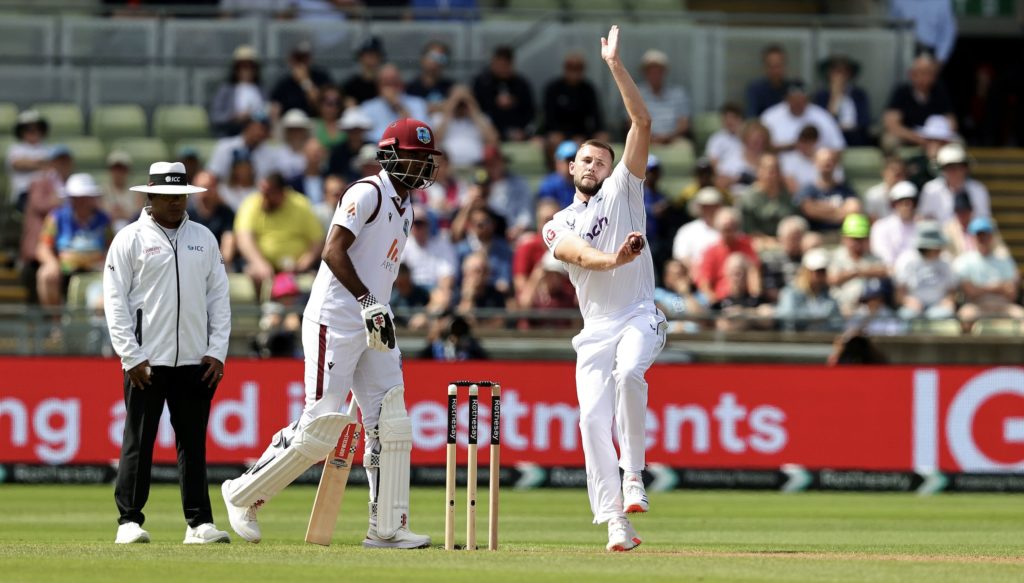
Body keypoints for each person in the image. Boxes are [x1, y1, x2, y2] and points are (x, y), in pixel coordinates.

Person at [221, 118, 439, 549]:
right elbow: (332, 250)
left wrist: (379, 311)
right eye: (414, 157)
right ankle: (243, 493)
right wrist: (365, 301)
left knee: (390, 421)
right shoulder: (367, 193)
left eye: (425, 160)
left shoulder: (407, 206)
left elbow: (381, 268)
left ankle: (387, 528)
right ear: (390, 155)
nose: (421, 167)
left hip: (375, 318)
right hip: (336, 318)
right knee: (322, 424)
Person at [541, 25, 664, 552]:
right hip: (595, 329)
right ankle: (616, 521)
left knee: (631, 371)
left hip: (640, 312)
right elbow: (575, 255)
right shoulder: (556, 222)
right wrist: (614, 258)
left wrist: (614, 65)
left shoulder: (625, 190)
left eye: (601, 160)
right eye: (585, 160)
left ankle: (633, 475)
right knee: (592, 419)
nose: (593, 166)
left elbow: (642, 120)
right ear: (571, 168)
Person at [103, 161, 230, 545]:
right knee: (138, 441)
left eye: (181, 195)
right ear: (151, 197)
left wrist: (217, 350)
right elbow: (115, 301)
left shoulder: (204, 238)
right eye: (168, 196)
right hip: (146, 360)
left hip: (195, 359)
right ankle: (128, 520)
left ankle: (198, 524)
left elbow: (218, 297)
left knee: (193, 443)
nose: (176, 202)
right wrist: (130, 356)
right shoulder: (129, 239)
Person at [234, 173, 324, 296]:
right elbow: (244, 239)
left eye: (268, 193)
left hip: (296, 268)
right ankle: (263, 312)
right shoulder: (251, 203)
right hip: (262, 268)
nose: (264, 198)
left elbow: (317, 240)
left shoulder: (301, 204)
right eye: (262, 192)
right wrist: (260, 263)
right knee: (253, 273)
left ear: (282, 192)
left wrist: (302, 264)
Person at [36, 173, 114, 307]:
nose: (80, 201)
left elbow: (112, 246)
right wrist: (51, 263)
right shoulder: (56, 218)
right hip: (64, 271)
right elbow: (43, 247)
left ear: (92, 198)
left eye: (85, 197)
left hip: (96, 271)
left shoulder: (104, 220)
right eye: (76, 198)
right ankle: (56, 323)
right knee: (45, 275)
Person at [954, 217, 1024, 328]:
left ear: (991, 236)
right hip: (977, 307)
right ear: (973, 237)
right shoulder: (964, 261)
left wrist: (981, 288)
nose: (983, 239)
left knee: (1021, 317)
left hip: (1003, 306)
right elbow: (971, 292)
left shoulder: (1005, 260)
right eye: (979, 235)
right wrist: (999, 287)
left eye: (985, 235)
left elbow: (1012, 293)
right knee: (965, 317)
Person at [882, 53, 956, 148]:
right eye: (919, 72)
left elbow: (951, 121)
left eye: (928, 73)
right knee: (889, 140)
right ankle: (895, 163)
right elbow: (891, 123)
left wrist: (937, 137)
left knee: (958, 141)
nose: (924, 78)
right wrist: (916, 137)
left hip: (935, 138)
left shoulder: (939, 92)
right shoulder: (902, 92)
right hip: (908, 136)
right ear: (911, 74)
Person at [695, 208, 762, 305]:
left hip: (745, 298)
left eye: (732, 229)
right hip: (721, 298)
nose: (729, 233)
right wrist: (714, 301)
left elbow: (754, 271)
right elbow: (704, 280)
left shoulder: (747, 246)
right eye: (725, 230)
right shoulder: (711, 251)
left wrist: (755, 297)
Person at [827, 214, 889, 316]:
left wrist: (858, 272)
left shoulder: (874, 258)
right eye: (853, 238)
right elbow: (832, 279)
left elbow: (886, 271)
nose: (857, 243)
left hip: (869, 310)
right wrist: (857, 272)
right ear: (844, 238)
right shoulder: (835, 257)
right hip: (840, 310)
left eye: (861, 239)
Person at [893, 222, 957, 320]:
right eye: (937, 246)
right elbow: (899, 295)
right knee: (907, 315)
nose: (940, 249)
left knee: (945, 314)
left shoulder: (946, 261)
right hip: (914, 308)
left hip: (939, 307)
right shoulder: (906, 260)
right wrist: (908, 301)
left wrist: (948, 300)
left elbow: (951, 292)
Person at [542, 52, 607, 146]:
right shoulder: (553, 88)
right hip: (559, 131)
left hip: (582, 131)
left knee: (602, 138)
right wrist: (561, 134)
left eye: (578, 68)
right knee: (554, 139)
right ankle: (556, 161)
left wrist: (597, 132)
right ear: (565, 68)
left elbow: (596, 115)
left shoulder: (588, 89)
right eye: (570, 68)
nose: (574, 72)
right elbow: (549, 116)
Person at [760, 81, 846, 152]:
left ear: (808, 99)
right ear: (786, 99)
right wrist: (793, 146)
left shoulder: (823, 117)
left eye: (801, 100)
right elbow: (759, 148)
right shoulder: (770, 117)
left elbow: (838, 147)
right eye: (794, 100)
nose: (798, 104)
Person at [472, 46, 535, 141]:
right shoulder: (482, 82)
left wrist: (524, 131)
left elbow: (530, 111)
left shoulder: (521, 84)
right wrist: (494, 102)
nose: (502, 69)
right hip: (489, 130)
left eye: (505, 65)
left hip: (517, 130)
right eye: (499, 64)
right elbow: (476, 109)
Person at [917, 143, 990, 224]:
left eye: (958, 167)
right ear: (942, 170)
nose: (954, 171)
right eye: (949, 168)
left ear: (965, 168)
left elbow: (983, 219)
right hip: (938, 235)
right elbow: (924, 218)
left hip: (969, 235)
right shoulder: (930, 190)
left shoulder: (978, 189)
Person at [431, 84, 499, 169]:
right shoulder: (439, 118)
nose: (460, 104)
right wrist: (450, 107)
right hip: (448, 167)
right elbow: (435, 140)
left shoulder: (481, 118)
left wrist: (473, 110)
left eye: (464, 101)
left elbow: (493, 140)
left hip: (477, 166)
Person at [794, 148, 860, 233]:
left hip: (842, 234)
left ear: (836, 164)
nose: (827, 164)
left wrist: (821, 208)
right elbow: (810, 210)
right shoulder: (807, 190)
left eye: (830, 161)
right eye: (823, 161)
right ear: (815, 163)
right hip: (816, 235)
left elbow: (854, 209)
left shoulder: (845, 189)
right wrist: (839, 210)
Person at [361, 64, 430, 143]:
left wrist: (398, 106)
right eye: (386, 82)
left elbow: (423, 136)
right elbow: (365, 137)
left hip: (409, 150)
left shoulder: (418, 103)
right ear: (378, 85)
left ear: (401, 83)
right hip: (378, 150)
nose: (390, 87)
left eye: (394, 81)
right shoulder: (367, 107)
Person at [206, 112, 283, 183]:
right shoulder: (225, 147)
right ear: (246, 127)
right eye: (256, 127)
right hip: (226, 194)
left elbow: (273, 182)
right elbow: (213, 175)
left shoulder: (271, 153)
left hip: (258, 195)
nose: (260, 132)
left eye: (264, 129)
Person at [813, 55, 871, 146]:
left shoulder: (859, 95)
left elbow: (864, 121)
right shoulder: (822, 96)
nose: (840, 76)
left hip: (855, 137)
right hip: (831, 138)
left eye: (844, 72)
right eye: (836, 72)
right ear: (829, 74)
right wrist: (834, 97)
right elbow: (822, 122)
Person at [636, 49, 690, 145]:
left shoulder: (678, 94)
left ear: (664, 72)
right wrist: (650, 138)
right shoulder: (636, 94)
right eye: (651, 71)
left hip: (673, 140)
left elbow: (684, 123)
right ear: (645, 73)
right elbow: (631, 122)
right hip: (644, 139)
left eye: (658, 71)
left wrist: (669, 137)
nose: (655, 74)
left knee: (685, 147)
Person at [210, 45, 266, 137]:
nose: (246, 71)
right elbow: (215, 116)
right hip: (232, 134)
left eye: (250, 67)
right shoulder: (226, 90)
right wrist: (233, 117)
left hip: (259, 136)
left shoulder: (262, 90)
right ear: (236, 69)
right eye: (242, 67)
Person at [269, 41, 333, 121]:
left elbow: (321, 104)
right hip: (290, 127)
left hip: (315, 124)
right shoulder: (283, 84)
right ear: (290, 60)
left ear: (310, 59)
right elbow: (274, 110)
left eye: (304, 59)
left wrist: (305, 81)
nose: (301, 63)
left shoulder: (321, 78)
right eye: (298, 59)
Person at [741, 153, 795, 244]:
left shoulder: (786, 194)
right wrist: (770, 241)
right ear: (759, 171)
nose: (774, 175)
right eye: (770, 170)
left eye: (777, 170)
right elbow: (748, 231)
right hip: (759, 242)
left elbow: (795, 218)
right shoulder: (749, 198)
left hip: (788, 242)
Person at [188, 171, 237, 267]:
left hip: (218, 265)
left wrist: (219, 264)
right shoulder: (186, 214)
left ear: (216, 188)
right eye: (201, 187)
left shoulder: (226, 213)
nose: (205, 191)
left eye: (209, 187)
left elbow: (228, 244)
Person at [869, 181, 918, 269]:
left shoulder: (922, 227)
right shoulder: (881, 227)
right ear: (894, 204)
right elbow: (883, 257)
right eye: (902, 202)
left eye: (912, 202)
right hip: (889, 276)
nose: (908, 206)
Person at [672, 186, 722, 270]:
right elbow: (680, 255)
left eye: (713, 206)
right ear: (699, 208)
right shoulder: (687, 230)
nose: (709, 209)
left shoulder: (728, 228)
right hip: (693, 274)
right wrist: (697, 272)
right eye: (705, 206)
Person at [6, 109, 50, 204]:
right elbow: (18, 164)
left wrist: (31, 163)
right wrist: (42, 164)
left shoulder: (47, 149)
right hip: (24, 192)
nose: (34, 132)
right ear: (21, 131)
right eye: (29, 129)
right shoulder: (15, 149)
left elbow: (55, 166)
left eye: (37, 128)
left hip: (46, 192)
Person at [406, 40, 455, 115]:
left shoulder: (450, 87)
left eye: (442, 58)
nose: (436, 62)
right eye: (433, 56)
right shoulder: (410, 88)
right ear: (422, 58)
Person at [327, 107, 373, 181]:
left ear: (363, 130)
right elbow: (332, 176)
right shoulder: (337, 152)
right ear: (346, 131)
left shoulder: (373, 148)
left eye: (357, 130)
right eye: (351, 130)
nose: (355, 134)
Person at [746, 44, 790, 117]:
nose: (775, 71)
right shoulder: (755, 90)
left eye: (778, 66)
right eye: (771, 66)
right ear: (765, 67)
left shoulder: (792, 89)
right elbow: (752, 117)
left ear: (784, 65)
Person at [101, 150, 140, 232]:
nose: (118, 173)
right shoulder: (102, 190)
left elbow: (139, 215)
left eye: (122, 169)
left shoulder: (136, 190)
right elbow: (102, 214)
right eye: (115, 169)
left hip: (132, 229)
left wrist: (121, 213)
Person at [342, 37, 385, 106]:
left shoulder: (386, 84)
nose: (370, 60)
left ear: (380, 58)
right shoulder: (350, 85)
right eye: (366, 56)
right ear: (360, 58)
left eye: (373, 56)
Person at [862, 156, 907, 221]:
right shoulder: (873, 195)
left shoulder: (911, 194)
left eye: (901, 173)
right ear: (884, 173)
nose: (896, 175)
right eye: (893, 170)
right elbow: (872, 220)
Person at [536, 140, 578, 209]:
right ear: (558, 162)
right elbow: (547, 212)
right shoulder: (549, 184)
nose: (572, 164)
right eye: (567, 160)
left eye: (574, 159)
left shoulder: (585, 182)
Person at [311, 85, 346, 150]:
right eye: (329, 103)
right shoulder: (312, 126)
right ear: (320, 104)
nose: (333, 107)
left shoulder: (346, 125)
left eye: (337, 103)